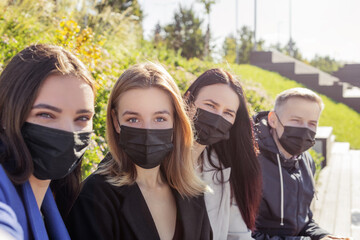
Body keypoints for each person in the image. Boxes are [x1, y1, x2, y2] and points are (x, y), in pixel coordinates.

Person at [65, 62, 212, 240]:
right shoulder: (93, 197)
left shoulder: (192, 193)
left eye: (159, 118)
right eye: (133, 119)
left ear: (176, 121)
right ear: (116, 121)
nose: (147, 130)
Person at [0, 44, 95, 239]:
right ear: (7, 113)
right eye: (46, 114)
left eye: (82, 118)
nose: (68, 131)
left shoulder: (61, 201)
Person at [252, 88, 346, 240]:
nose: (304, 129)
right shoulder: (249, 161)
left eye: (312, 123)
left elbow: (303, 222)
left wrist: (321, 236)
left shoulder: (307, 161)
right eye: (296, 120)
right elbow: (241, 234)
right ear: (273, 120)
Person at [184, 68, 262, 240]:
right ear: (188, 100)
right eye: (210, 105)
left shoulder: (221, 169)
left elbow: (237, 235)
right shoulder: (154, 160)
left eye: (228, 113)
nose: (217, 117)